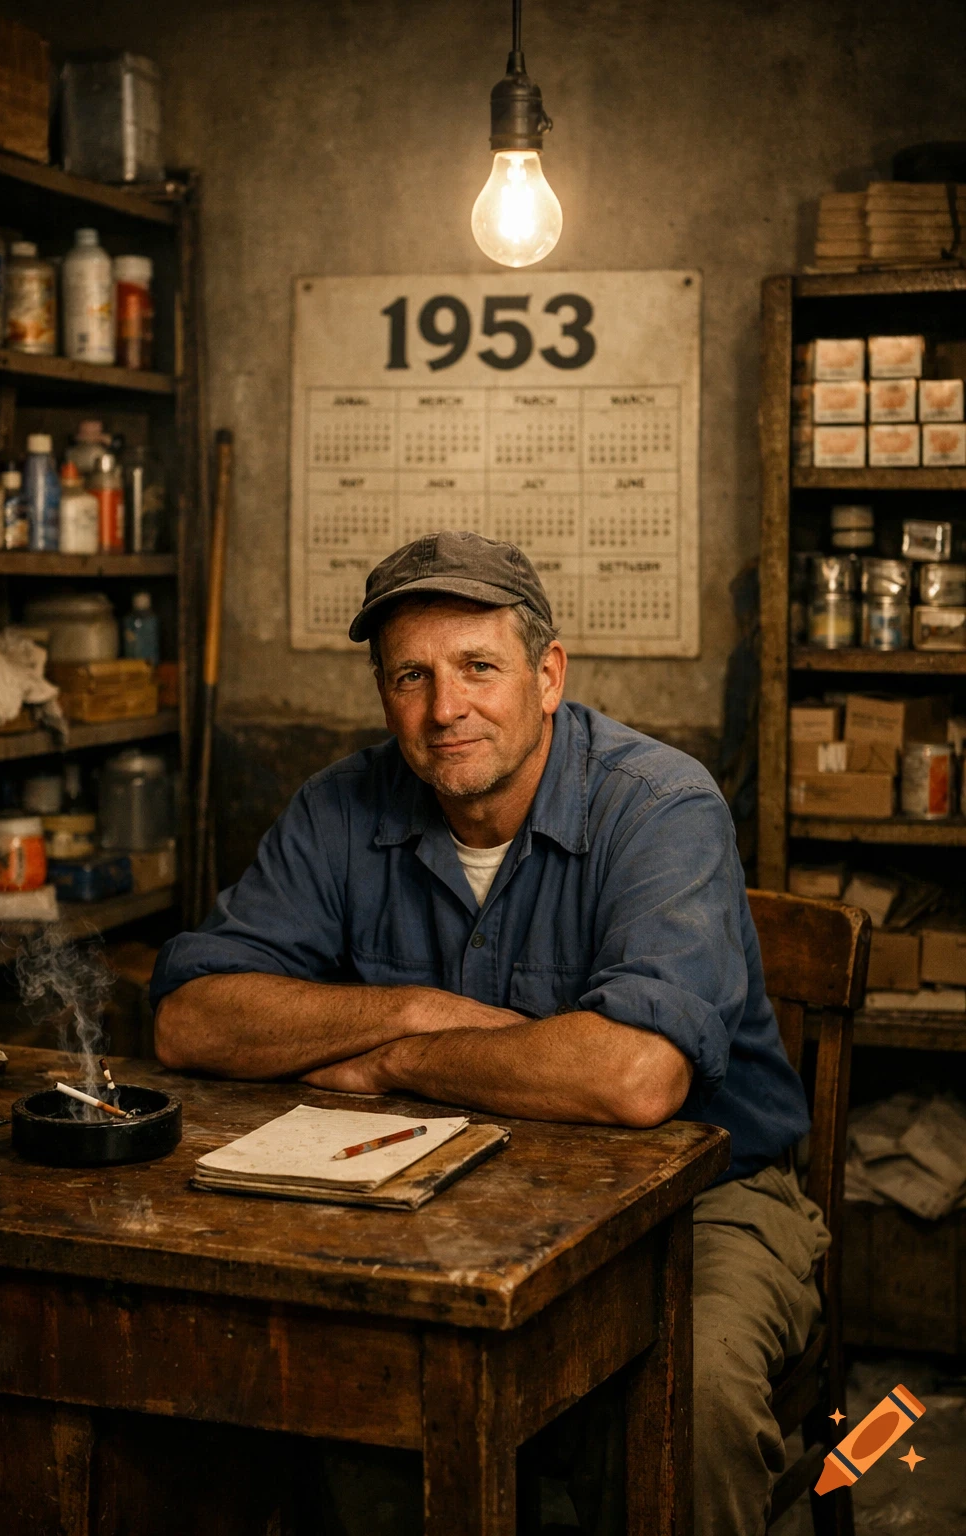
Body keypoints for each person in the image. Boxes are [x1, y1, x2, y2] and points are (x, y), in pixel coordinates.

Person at [152, 530, 829, 1536]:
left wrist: (394, 1056)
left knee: (694, 1404)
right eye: (410, 677)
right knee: (286, 1384)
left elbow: (636, 1079)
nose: (444, 710)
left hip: (704, 1204)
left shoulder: (659, 806)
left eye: (478, 668)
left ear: (547, 675)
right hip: (432, 1200)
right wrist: (421, 1007)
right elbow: (190, 1016)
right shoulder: (340, 806)